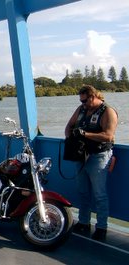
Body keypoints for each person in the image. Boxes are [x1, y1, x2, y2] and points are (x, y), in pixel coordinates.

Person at [65, 85, 118, 241]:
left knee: (99, 194)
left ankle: (101, 227)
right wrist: (70, 138)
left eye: (85, 101)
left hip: (99, 156)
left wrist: (85, 134)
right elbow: (69, 125)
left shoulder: (107, 111)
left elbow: (108, 136)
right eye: (81, 101)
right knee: (82, 192)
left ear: (94, 96)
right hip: (81, 156)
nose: (83, 104)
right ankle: (84, 222)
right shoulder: (80, 110)